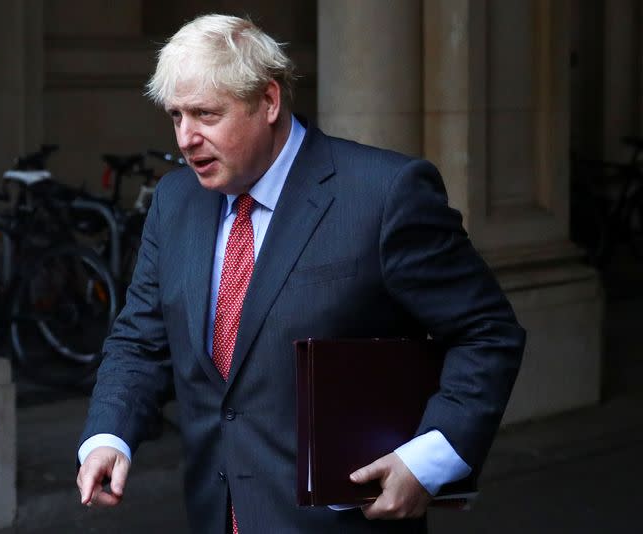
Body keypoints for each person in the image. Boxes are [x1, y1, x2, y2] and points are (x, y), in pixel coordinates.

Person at [76, 13, 525, 533]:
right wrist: (109, 435)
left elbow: (487, 333)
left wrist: (429, 459)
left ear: (268, 101)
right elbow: (140, 340)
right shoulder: (175, 202)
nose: (186, 138)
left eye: (205, 114)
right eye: (175, 116)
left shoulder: (383, 194)